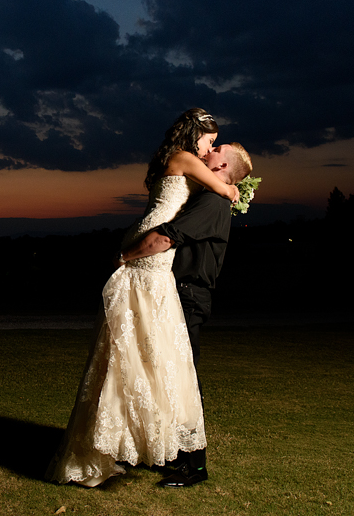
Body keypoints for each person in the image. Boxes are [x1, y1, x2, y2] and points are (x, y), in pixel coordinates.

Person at [46, 108, 239, 488]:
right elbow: (222, 187)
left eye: (214, 145)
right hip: (149, 254)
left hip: (150, 253)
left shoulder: (177, 159)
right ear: (194, 135)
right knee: (147, 350)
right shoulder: (183, 158)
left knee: (141, 349)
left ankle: (141, 443)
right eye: (209, 140)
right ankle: (162, 450)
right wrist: (235, 189)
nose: (209, 148)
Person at [117, 142, 253, 487]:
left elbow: (166, 237)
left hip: (189, 295)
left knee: (185, 380)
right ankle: (175, 453)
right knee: (168, 376)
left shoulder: (212, 200)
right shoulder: (210, 193)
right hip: (181, 293)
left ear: (222, 166)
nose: (205, 150)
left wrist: (125, 256)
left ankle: (196, 465)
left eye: (215, 148)